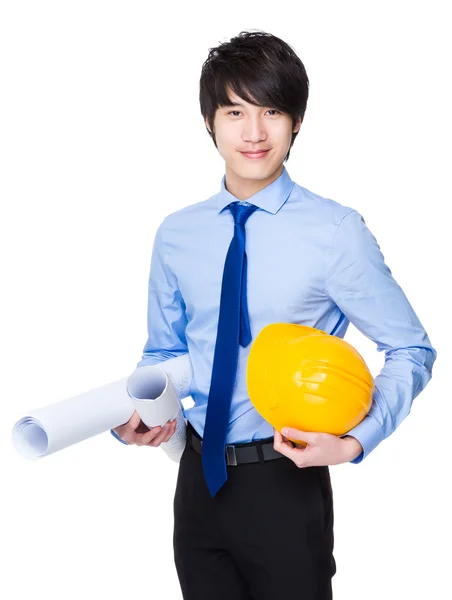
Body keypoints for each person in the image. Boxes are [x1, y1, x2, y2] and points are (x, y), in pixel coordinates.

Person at [111, 30, 437, 599]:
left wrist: (356, 440)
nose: (255, 132)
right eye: (235, 111)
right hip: (197, 484)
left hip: (284, 482)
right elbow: (165, 352)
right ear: (210, 122)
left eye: (272, 110)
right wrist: (141, 414)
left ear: (297, 122)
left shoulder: (335, 233)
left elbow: (411, 349)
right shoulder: (177, 234)